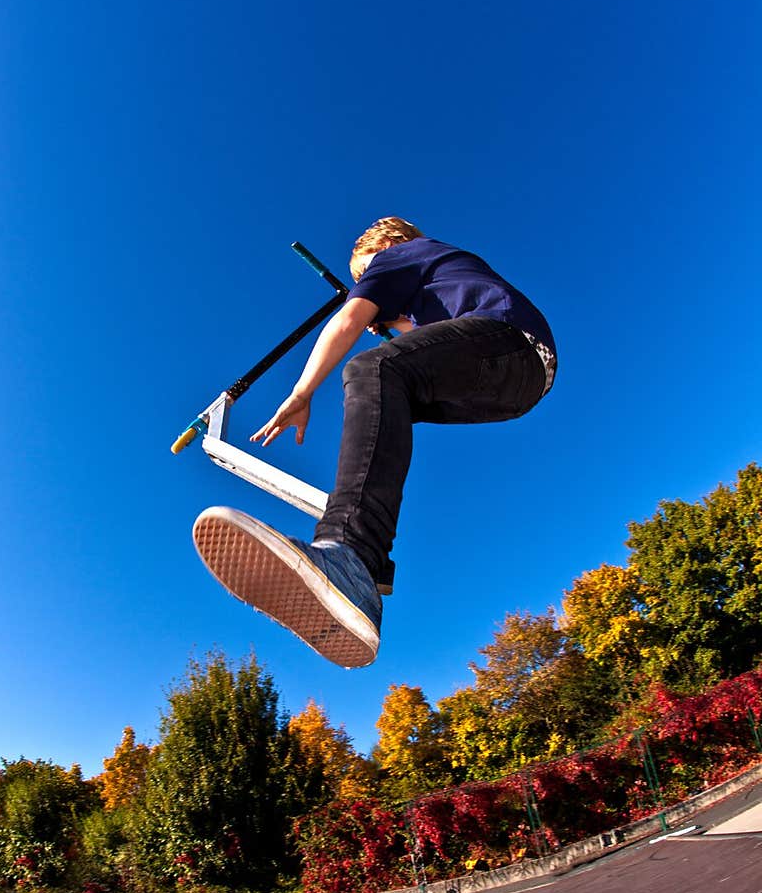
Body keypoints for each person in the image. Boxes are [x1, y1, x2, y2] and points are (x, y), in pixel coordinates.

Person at [192, 217, 556, 669]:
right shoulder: (438, 277)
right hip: (518, 380)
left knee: (370, 370)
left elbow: (349, 319)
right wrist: (400, 319)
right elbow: (432, 340)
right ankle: (365, 562)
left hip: (510, 343)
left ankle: (352, 555)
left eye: (364, 276)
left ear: (386, 245)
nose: (365, 283)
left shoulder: (399, 254)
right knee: (389, 393)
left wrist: (302, 393)